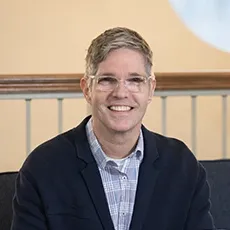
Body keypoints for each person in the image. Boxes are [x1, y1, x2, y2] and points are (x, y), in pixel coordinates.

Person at [11, 27, 215, 230]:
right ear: (86, 89)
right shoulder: (42, 168)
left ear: (150, 89)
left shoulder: (183, 166)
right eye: (107, 80)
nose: (120, 93)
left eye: (135, 80)